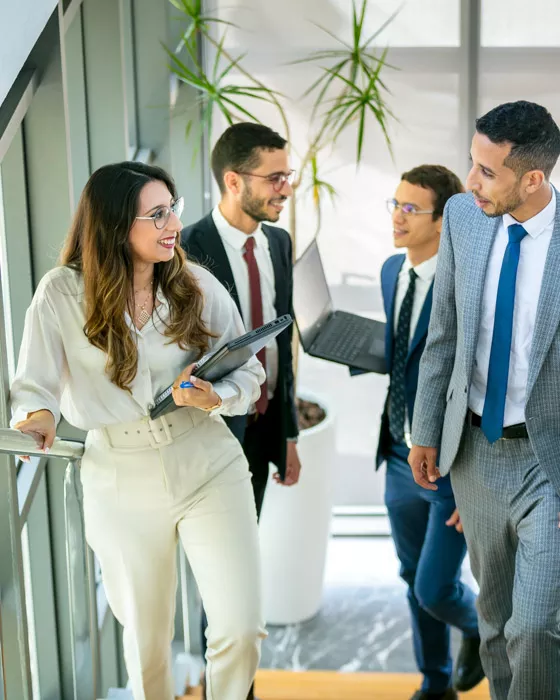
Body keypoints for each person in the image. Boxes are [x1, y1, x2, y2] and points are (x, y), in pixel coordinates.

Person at [10, 161, 267, 700]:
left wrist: (216, 394)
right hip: (119, 478)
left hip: (207, 461)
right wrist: (37, 418)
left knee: (240, 629)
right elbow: (34, 385)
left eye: (172, 207)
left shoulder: (195, 282)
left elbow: (248, 365)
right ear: (112, 225)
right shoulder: (61, 293)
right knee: (147, 642)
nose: (173, 222)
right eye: (157, 214)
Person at [409, 101, 560, 700]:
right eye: (471, 164)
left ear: (533, 178)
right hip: (473, 449)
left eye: (486, 171)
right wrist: (425, 432)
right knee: (495, 624)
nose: (470, 182)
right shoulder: (464, 218)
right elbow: (443, 331)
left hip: (548, 459)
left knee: (538, 626)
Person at [182, 121, 301, 700]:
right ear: (234, 180)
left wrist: (290, 434)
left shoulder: (277, 242)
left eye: (287, 174)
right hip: (211, 437)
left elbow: (282, 342)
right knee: (225, 575)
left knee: (241, 564)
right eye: (275, 177)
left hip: (261, 426)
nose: (286, 187)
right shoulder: (183, 253)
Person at [372, 166, 483, 700]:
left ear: (442, 223)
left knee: (435, 587)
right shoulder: (392, 271)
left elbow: (481, 383)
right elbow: (406, 356)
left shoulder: (464, 286)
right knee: (411, 577)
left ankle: (484, 631)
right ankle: (435, 682)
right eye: (394, 203)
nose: (397, 216)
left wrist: (472, 480)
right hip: (396, 451)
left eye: (410, 209)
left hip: (446, 467)